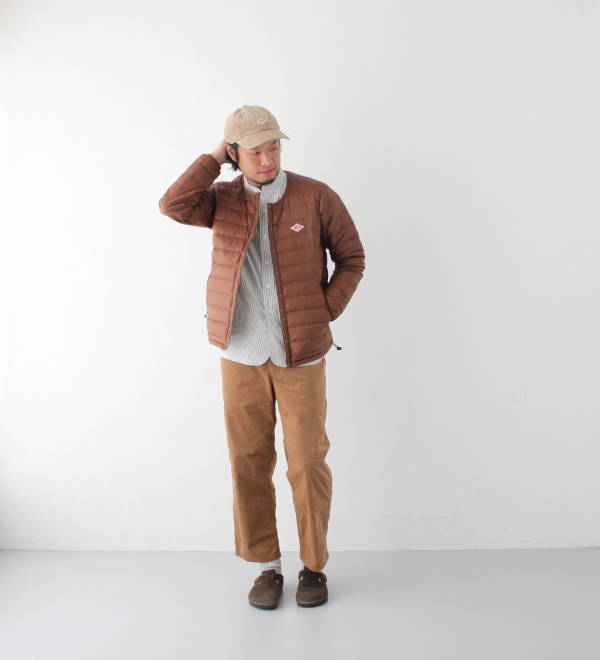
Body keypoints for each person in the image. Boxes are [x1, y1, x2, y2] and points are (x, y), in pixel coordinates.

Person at [158, 105, 365, 609]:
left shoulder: (315, 196)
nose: (268, 158)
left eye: (274, 147)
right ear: (235, 153)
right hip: (240, 353)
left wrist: (323, 310)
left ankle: (313, 566)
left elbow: (352, 259)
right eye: (255, 151)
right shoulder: (220, 200)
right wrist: (213, 159)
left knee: (308, 462)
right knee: (249, 461)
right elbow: (172, 204)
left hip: (302, 355)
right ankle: (266, 567)